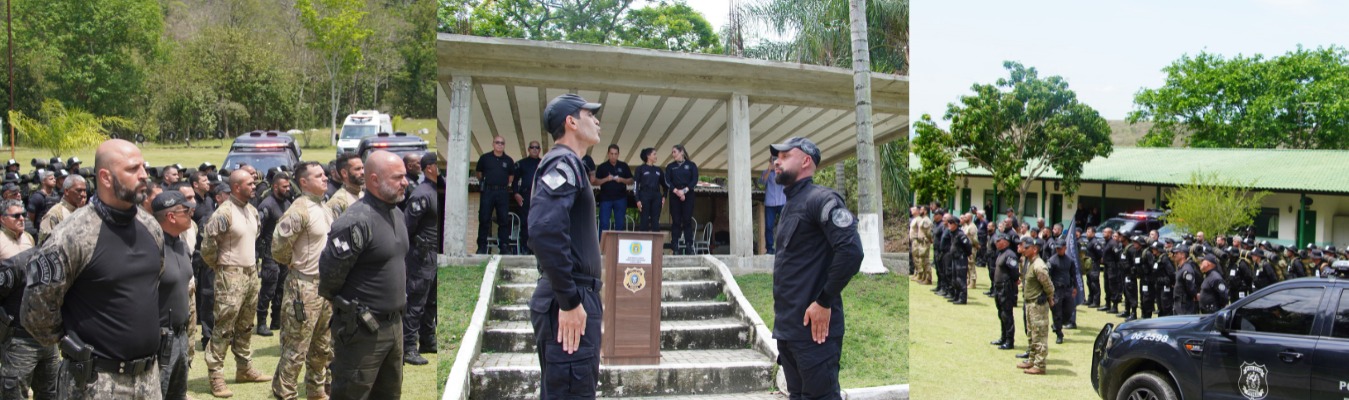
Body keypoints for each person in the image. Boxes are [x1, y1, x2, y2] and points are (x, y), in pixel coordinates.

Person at [21, 139, 163, 398]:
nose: (144, 175)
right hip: (95, 384)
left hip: (149, 380)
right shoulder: (71, 235)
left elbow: (152, 287)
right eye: (133, 170)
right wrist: (76, 344)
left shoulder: (151, 228)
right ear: (105, 178)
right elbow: (36, 313)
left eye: (143, 167)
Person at [769, 136, 863, 399]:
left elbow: (851, 251)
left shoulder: (821, 199)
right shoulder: (788, 206)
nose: (777, 161)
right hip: (789, 332)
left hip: (815, 335)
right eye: (777, 157)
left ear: (806, 161)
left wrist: (824, 301)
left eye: (785, 156)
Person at [527, 94, 605, 399]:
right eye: (590, 114)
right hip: (569, 296)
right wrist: (570, 301)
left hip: (575, 293)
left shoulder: (573, 164)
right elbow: (544, 229)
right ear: (571, 122)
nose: (597, 120)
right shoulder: (564, 161)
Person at [319, 150, 409, 400]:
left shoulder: (397, 214)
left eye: (405, 176)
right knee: (353, 393)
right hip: (363, 331)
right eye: (397, 177)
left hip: (394, 326)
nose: (405, 182)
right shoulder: (355, 221)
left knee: (389, 394)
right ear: (373, 180)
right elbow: (329, 278)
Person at [201, 169, 271, 397]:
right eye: (250, 183)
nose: (255, 186)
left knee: (245, 324)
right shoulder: (224, 213)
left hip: (251, 273)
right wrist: (222, 268)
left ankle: (244, 368)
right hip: (230, 275)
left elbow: (255, 237)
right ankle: (216, 375)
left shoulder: (251, 210)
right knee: (224, 326)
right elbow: (208, 249)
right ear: (237, 186)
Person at [271, 161, 336, 400]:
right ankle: (285, 393)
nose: (325, 178)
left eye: (324, 174)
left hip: (325, 286)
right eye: (318, 176)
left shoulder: (324, 207)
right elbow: (278, 247)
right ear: (304, 182)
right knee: (296, 347)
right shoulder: (299, 210)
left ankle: (316, 391)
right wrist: (295, 264)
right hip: (304, 286)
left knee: (322, 345)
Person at [151, 191, 196, 399]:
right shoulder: (151, 247)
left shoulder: (181, 243)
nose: (191, 213)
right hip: (159, 339)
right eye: (186, 211)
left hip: (181, 334)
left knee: (178, 393)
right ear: (170, 216)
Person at [0, 247, 57, 400]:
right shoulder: (17, 264)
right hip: (20, 343)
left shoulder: (65, 263)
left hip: (49, 343)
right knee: (14, 395)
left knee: (51, 394)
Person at [402, 154, 441, 365]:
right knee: (416, 302)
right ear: (429, 169)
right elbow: (407, 227)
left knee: (432, 301)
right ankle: (408, 347)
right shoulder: (422, 194)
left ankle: (428, 339)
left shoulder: (436, 191)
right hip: (422, 255)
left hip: (434, 255)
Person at [257, 172, 294, 337]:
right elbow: (258, 230)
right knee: (268, 288)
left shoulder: (288, 203)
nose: (288, 189)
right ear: (275, 186)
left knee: (281, 288)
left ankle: (276, 320)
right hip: (270, 253)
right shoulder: (267, 205)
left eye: (288, 186)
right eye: (284, 186)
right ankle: (261, 322)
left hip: (284, 254)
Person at [191, 171, 220, 351]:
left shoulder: (209, 201)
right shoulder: (191, 202)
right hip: (195, 254)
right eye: (204, 180)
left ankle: (209, 332)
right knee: (198, 293)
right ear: (195, 184)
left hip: (209, 253)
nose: (208, 183)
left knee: (209, 293)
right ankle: (203, 331)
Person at [1017, 238, 1053, 375]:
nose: (1023, 250)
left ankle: (1040, 365)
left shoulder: (1039, 265)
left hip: (1038, 305)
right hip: (1030, 304)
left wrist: (1049, 296)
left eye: (1026, 248)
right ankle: (1032, 360)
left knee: (1039, 335)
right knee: (1031, 334)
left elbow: (1047, 284)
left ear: (1034, 249)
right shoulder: (1030, 263)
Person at [475, 136, 514, 254]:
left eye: (502, 143)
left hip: (502, 192)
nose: (500, 145)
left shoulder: (508, 160)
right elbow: (478, 173)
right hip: (488, 191)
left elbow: (511, 177)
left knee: (503, 220)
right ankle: (482, 247)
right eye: (497, 142)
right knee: (484, 219)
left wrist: (502, 184)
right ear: (493, 144)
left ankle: (504, 246)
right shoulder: (485, 158)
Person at [665, 145, 698, 255]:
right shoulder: (670, 167)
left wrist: (684, 191)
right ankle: (675, 245)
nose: (673, 154)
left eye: (674, 152)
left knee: (687, 220)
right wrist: (677, 191)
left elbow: (694, 180)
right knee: (676, 221)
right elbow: (667, 181)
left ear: (681, 152)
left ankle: (689, 245)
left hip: (688, 195)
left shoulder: (691, 165)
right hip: (675, 195)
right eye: (672, 152)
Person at [594, 144, 632, 237]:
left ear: (618, 154)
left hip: (620, 198)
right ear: (608, 154)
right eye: (611, 154)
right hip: (605, 199)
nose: (613, 156)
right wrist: (606, 179)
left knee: (619, 224)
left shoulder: (623, 166)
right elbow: (595, 182)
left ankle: (618, 247)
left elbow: (631, 180)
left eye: (615, 154)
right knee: (604, 224)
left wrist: (621, 179)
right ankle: (602, 248)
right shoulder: (602, 167)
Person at [38, 174, 87, 244]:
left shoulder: (84, 210)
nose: (83, 194)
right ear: (66, 191)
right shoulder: (54, 215)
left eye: (84, 190)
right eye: (79, 190)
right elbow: (45, 246)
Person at [513, 141, 543, 254]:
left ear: (539, 150)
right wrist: (516, 193)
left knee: (539, 223)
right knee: (526, 223)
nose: (534, 149)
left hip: (540, 196)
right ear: (528, 149)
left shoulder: (543, 163)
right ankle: (525, 248)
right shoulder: (522, 163)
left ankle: (537, 249)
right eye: (532, 147)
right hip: (525, 196)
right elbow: (514, 180)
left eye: (537, 147)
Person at [989, 234, 1018, 350]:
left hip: (1006, 289)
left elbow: (1015, 272)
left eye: (999, 241)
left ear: (1006, 242)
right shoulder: (1000, 253)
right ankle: (1003, 337)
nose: (996, 243)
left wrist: (1013, 282)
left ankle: (1009, 341)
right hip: (999, 288)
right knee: (1001, 314)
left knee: (1007, 314)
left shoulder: (1010, 255)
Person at [633, 148, 665, 233]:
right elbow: (635, 185)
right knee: (644, 220)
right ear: (648, 156)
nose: (656, 156)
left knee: (655, 221)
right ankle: (643, 243)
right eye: (654, 154)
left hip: (656, 195)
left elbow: (665, 185)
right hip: (644, 194)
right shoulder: (640, 169)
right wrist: (637, 200)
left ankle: (655, 245)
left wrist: (664, 196)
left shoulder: (658, 170)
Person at [1048, 240, 1074, 343]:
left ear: (1065, 248)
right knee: (1057, 312)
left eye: (1060, 248)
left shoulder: (1070, 260)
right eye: (1057, 248)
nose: (1058, 250)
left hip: (1067, 289)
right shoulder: (1052, 260)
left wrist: (1075, 287)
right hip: (1057, 290)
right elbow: (1048, 276)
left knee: (1069, 311)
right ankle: (1059, 333)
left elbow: (1073, 274)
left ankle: (1057, 324)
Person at [760, 156, 785, 254]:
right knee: (769, 226)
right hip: (770, 203)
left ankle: (784, 247)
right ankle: (770, 249)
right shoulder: (766, 172)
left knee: (785, 225)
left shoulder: (782, 172)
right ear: (769, 162)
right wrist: (769, 170)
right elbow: (762, 182)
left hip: (782, 202)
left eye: (775, 161)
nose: (774, 162)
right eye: (772, 161)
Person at [945, 215, 971, 304]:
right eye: (948, 223)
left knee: (961, 279)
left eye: (951, 223)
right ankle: (956, 296)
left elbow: (968, 245)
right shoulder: (952, 233)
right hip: (954, 259)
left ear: (956, 224)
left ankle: (962, 298)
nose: (949, 224)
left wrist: (966, 254)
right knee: (954, 279)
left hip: (961, 259)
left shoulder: (960, 234)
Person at [1172, 245, 1200, 315]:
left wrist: (1194, 295)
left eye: (1176, 253)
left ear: (1183, 255)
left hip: (1184, 304)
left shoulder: (1187, 269)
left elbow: (1190, 287)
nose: (1174, 255)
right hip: (1178, 303)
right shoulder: (1180, 267)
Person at [910, 206, 932, 285]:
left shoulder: (925, 220)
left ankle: (927, 278)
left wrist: (929, 239)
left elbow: (928, 232)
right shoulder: (922, 219)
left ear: (925, 211)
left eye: (922, 210)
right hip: (920, 241)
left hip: (924, 242)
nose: (920, 211)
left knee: (925, 260)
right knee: (921, 259)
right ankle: (924, 277)